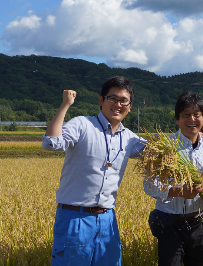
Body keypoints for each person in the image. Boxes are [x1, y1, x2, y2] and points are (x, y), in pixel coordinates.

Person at [42, 76, 146, 265]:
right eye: (112, 98)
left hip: (107, 219)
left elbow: (160, 151)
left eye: (124, 101)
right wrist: (65, 105)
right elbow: (51, 143)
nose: (118, 104)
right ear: (101, 100)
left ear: (130, 106)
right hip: (74, 217)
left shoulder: (129, 138)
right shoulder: (82, 125)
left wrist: (197, 132)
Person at [144, 91, 203, 266]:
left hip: (200, 223)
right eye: (186, 115)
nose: (192, 119)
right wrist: (178, 191)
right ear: (177, 119)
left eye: (197, 115)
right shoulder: (164, 148)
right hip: (170, 224)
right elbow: (149, 185)